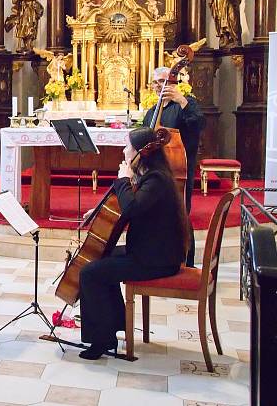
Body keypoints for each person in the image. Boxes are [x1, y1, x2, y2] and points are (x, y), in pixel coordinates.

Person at [77, 127, 189, 360]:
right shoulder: (153, 175)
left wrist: (123, 180)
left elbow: (133, 208)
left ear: (140, 153)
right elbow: (131, 209)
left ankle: (100, 340)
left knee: (90, 273)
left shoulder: (156, 179)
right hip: (151, 251)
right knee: (101, 259)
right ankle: (112, 328)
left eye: (128, 146)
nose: (123, 150)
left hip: (156, 259)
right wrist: (98, 212)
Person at [143, 66, 205, 266]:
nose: (157, 86)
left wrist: (182, 100)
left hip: (179, 170)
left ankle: (187, 261)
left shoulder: (186, 105)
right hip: (157, 173)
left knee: (181, 215)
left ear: (173, 82)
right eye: (154, 82)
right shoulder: (152, 112)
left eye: (161, 82)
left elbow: (198, 124)